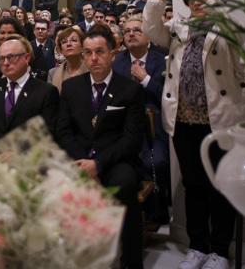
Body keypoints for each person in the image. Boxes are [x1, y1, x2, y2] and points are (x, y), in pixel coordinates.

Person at [144, 0, 245, 269]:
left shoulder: (228, 26)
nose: (193, 1)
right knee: (193, 186)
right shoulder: (179, 27)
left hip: (220, 120)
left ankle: (220, 250)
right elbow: (152, 30)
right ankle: (198, 246)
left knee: (220, 185)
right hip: (183, 120)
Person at [56, 25, 146, 269]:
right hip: (79, 158)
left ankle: (131, 262)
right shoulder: (72, 88)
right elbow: (63, 131)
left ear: (112, 54)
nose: (93, 58)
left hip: (116, 160)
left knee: (124, 184)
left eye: (100, 51)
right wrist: (82, 162)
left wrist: (98, 164)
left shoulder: (130, 89)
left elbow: (131, 140)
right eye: (88, 53)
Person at [113, 16, 170, 226]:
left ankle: (158, 210)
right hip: (125, 128)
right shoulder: (117, 62)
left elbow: (169, 96)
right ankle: (136, 216)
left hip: (156, 129)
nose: (131, 34)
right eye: (127, 31)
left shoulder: (162, 58)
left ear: (148, 36)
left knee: (158, 161)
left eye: (137, 29)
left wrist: (145, 79)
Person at [0, 35, 60, 153]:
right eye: (1, 58)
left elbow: (47, 133)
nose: (6, 63)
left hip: (28, 162)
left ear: (26, 57)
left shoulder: (46, 92)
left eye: (11, 57)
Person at [49, 26, 87, 92]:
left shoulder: (92, 70)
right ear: (61, 50)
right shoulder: (52, 73)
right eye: (64, 42)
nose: (68, 44)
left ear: (82, 46)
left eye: (74, 40)